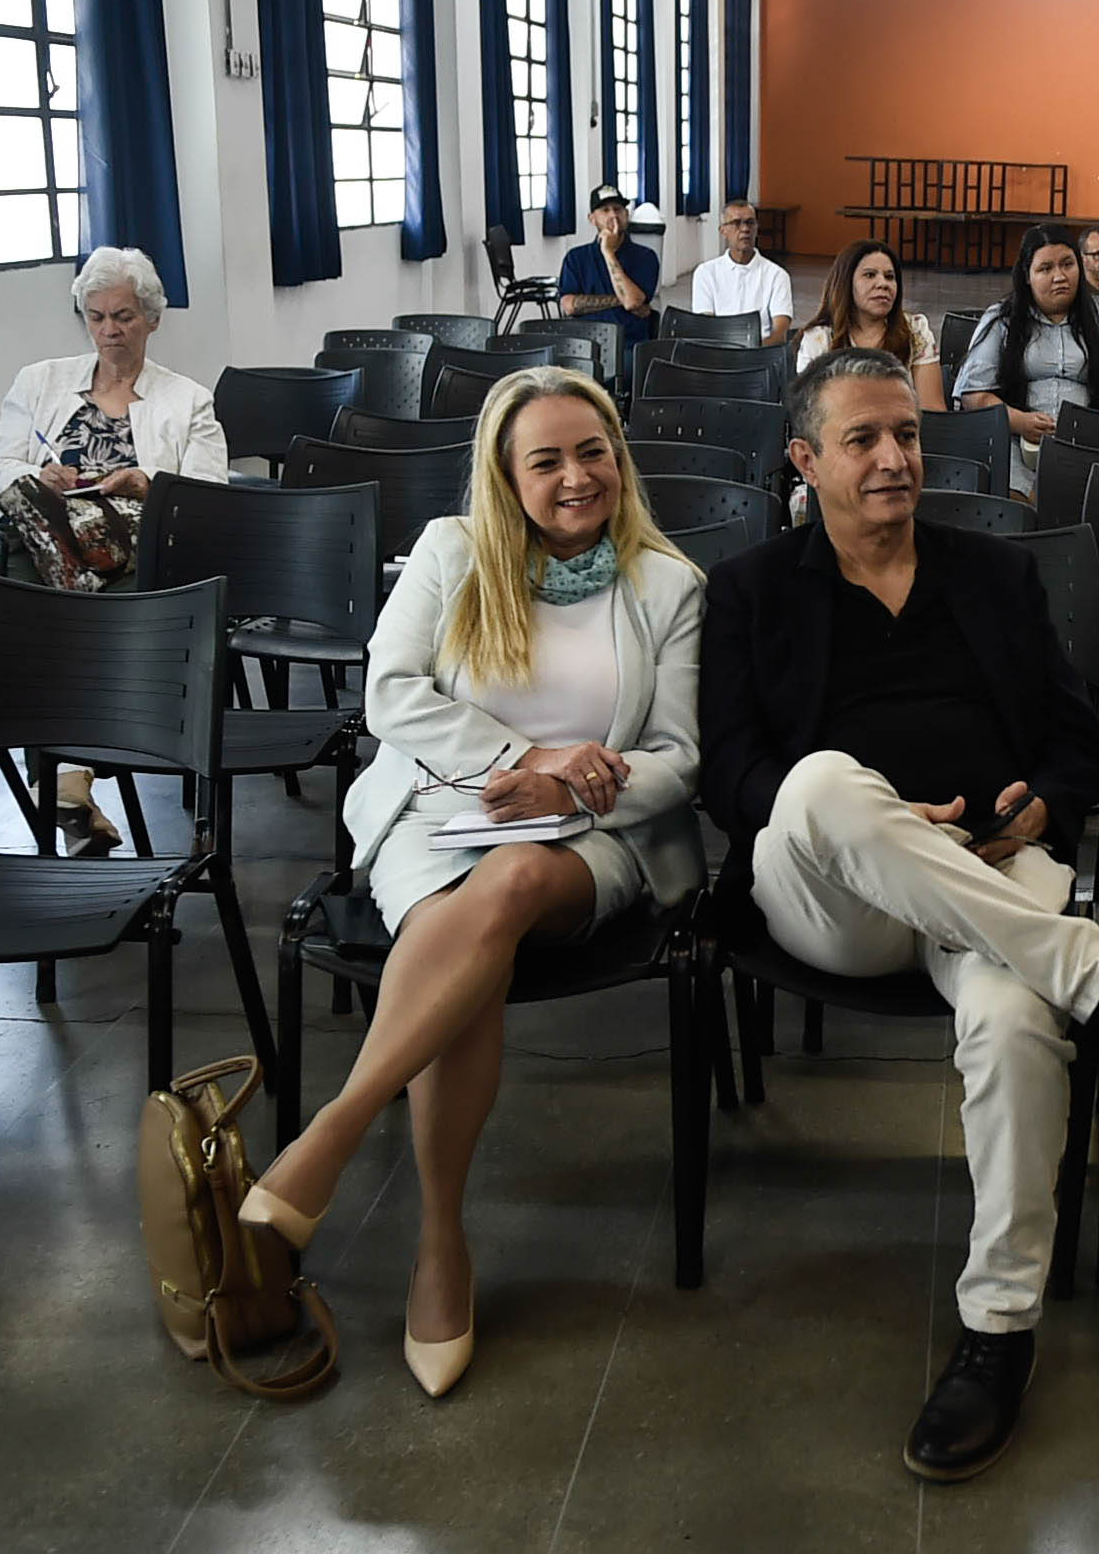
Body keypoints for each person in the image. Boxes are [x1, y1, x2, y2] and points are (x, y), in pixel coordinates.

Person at [699, 347, 1099, 1482]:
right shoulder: (752, 588)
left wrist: (1039, 800)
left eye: (906, 433)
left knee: (1010, 1021)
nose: (895, 457)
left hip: (992, 870)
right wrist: (877, 822)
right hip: (834, 893)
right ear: (804, 459)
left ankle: (1000, 1326)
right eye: (862, 439)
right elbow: (732, 774)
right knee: (819, 782)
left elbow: (1074, 742)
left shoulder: (995, 575)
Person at [239, 366, 705, 1399]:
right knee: (469, 948)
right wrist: (522, 757)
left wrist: (572, 785)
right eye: (547, 460)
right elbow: (391, 694)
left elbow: (680, 758)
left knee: (511, 881)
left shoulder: (668, 585)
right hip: (436, 815)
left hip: (592, 837)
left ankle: (331, 1135)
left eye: (594, 451)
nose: (577, 477)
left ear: (620, 458)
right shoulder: (452, 552)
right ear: (505, 476)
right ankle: (440, 1241)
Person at [0, 245, 229, 853]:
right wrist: (41, 473)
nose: (109, 330)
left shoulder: (187, 399)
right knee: (28, 573)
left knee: (38, 618)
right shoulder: (39, 381)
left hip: (135, 549)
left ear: (152, 319)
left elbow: (211, 496)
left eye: (123, 316)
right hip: (47, 536)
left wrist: (148, 482)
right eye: (96, 317)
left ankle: (64, 779)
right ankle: (70, 780)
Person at [953, 222, 1099, 496]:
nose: (1059, 276)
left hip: (1093, 442)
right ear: (1027, 275)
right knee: (1015, 496)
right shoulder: (1000, 320)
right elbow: (973, 393)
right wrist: (1020, 422)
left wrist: (1093, 425)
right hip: (1014, 441)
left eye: (1067, 264)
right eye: (1045, 268)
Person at [792, 238, 944, 407]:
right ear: (846, 282)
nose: (883, 284)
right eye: (870, 275)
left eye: (889, 277)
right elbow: (813, 414)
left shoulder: (916, 330)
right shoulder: (819, 339)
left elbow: (932, 409)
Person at [558, 184, 663, 349]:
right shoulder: (576, 257)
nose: (613, 215)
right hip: (585, 344)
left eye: (618, 209)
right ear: (592, 219)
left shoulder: (646, 256)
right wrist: (620, 300)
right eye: (605, 210)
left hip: (628, 344)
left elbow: (632, 302)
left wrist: (608, 253)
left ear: (626, 214)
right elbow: (569, 306)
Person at [689, 200, 794, 345]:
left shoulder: (777, 276)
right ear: (723, 230)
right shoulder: (706, 273)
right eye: (736, 223)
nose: (745, 229)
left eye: (750, 223)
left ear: (756, 228)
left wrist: (754, 353)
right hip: (718, 352)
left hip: (762, 352)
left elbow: (781, 332)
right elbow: (705, 327)